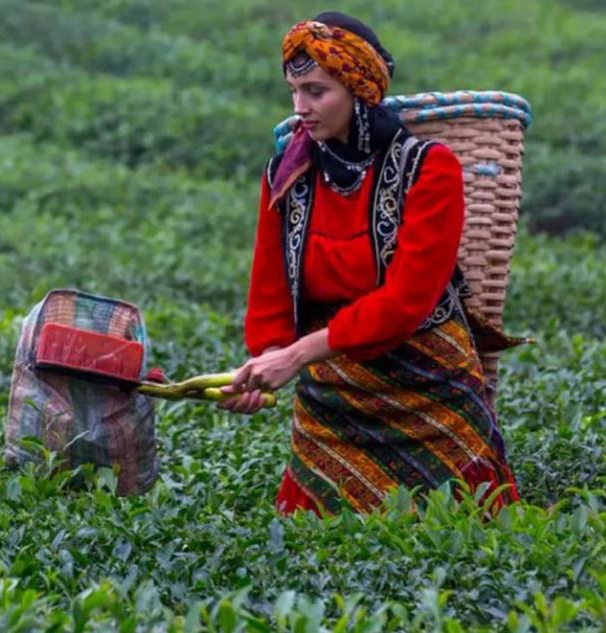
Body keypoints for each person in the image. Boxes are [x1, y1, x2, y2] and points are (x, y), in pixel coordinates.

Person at [218, 12, 520, 516]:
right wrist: (264, 360)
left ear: (359, 88)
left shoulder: (429, 168)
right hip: (333, 397)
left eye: (317, 91)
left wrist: (295, 356)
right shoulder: (286, 174)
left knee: (466, 524)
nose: (301, 108)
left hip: (428, 384)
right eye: (294, 90)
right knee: (314, 538)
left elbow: (407, 302)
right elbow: (269, 289)